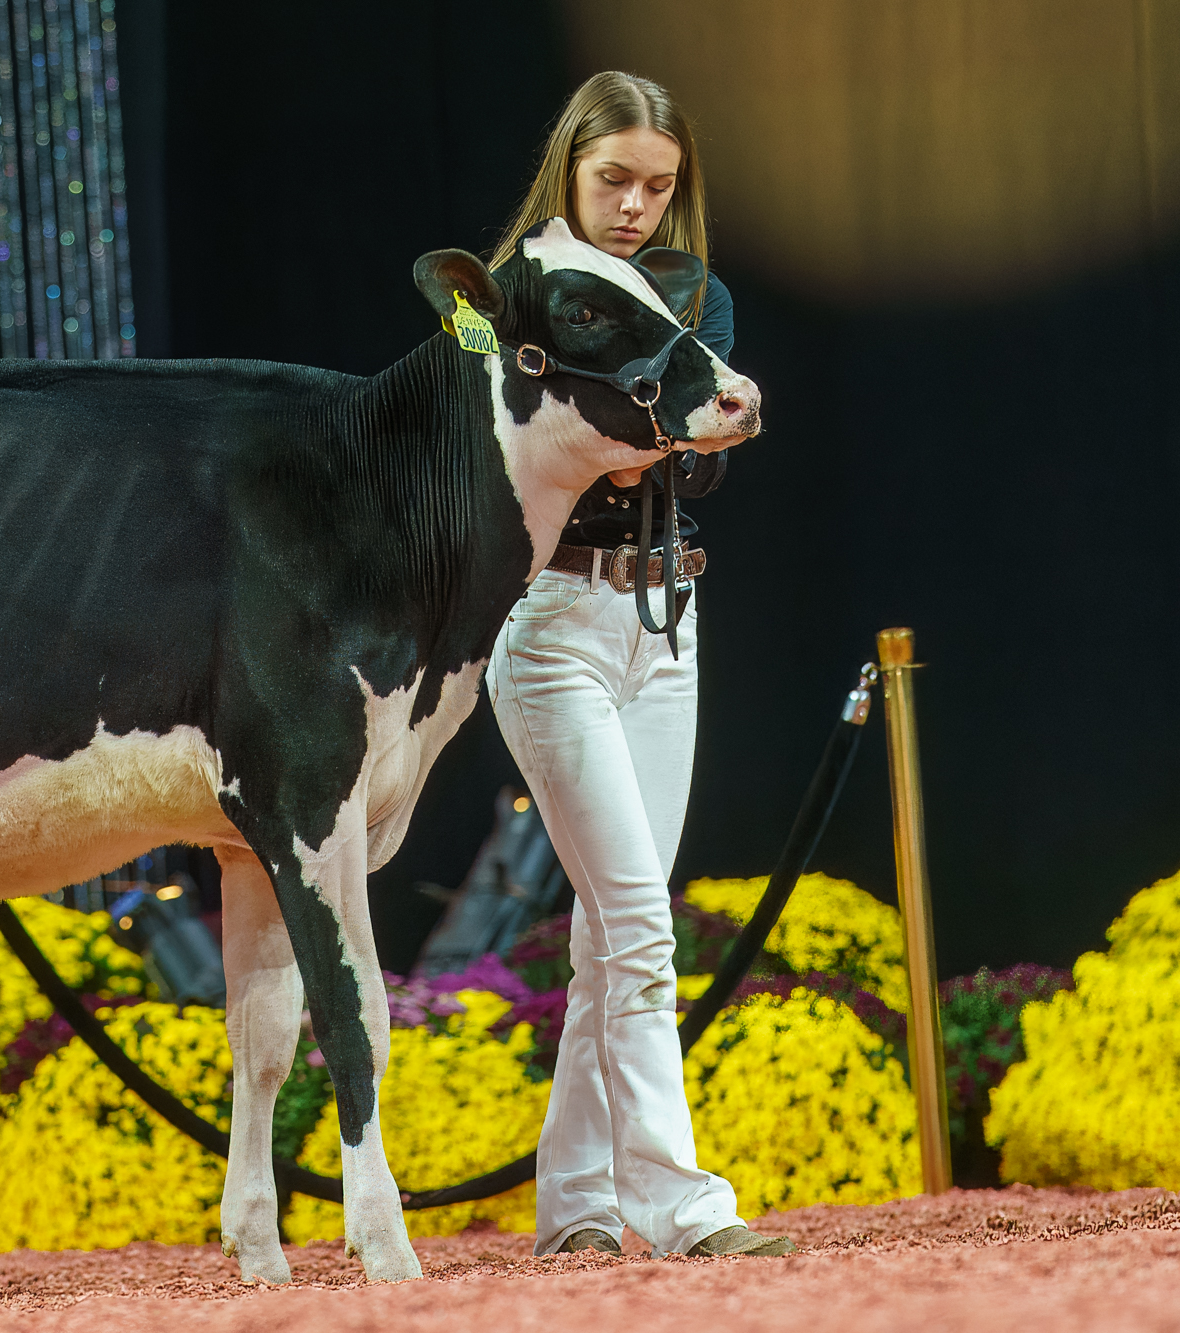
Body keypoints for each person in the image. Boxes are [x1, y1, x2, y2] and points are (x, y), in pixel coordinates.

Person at [484, 71, 794, 1260]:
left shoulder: (688, 291)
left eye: (656, 186)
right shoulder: (512, 292)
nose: (632, 205)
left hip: (664, 620)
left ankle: (574, 1206)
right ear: (567, 167)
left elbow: (693, 456)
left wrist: (637, 433)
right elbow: (533, 452)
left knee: (610, 935)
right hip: (550, 624)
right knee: (634, 922)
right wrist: (657, 430)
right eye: (612, 178)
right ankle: (682, 1205)